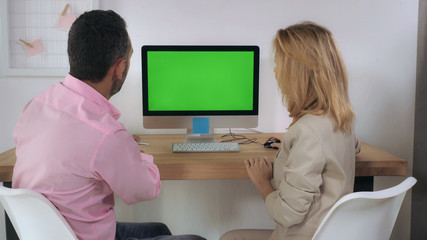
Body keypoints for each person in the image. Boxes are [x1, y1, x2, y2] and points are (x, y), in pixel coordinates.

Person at [12, 10, 205, 240]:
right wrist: (134, 152)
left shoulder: (36, 105)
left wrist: (120, 147)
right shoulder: (106, 134)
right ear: (120, 67)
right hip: (83, 236)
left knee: (159, 230)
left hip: (48, 231)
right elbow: (146, 189)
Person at [220, 21, 360, 240]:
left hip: (305, 236)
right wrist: (292, 144)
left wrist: (263, 183)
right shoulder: (341, 118)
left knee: (230, 237)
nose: (275, 70)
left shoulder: (308, 131)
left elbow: (287, 215)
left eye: (279, 63)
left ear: (297, 73)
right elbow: (352, 146)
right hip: (333, 233)